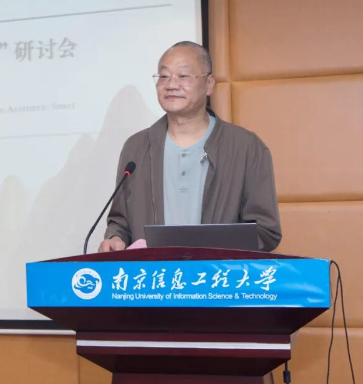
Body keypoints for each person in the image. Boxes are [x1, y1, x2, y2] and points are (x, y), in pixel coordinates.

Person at [98, 41, 281, 253]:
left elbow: (265, 232)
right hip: (153, 273)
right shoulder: (136, 147)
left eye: (183, 75)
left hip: (216, 273)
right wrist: (115, 238)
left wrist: (210, 251)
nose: (171, 85)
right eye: (164, 76)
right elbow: (120, 222)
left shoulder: (246, 147)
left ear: (209, 84)